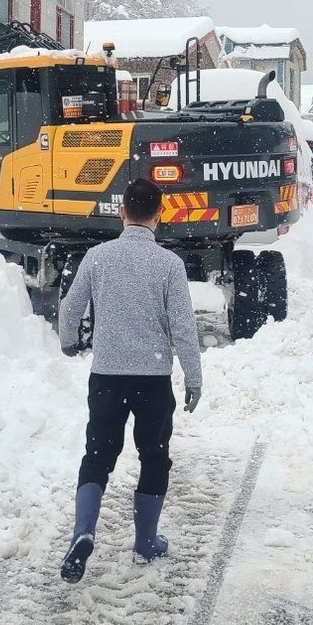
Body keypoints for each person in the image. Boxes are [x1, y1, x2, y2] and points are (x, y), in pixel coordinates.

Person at [57, 177, 202, 583]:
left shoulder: (97, 258)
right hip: (153, 378)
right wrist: (193, 377)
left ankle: (83, 532)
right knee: (154, 457)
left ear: (122, 212)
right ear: (160, 214)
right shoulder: (169, 265)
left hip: (107, 376)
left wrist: (69, 342)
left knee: (97, 457)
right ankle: (146, 541)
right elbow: (183, 329)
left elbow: (70, 312)